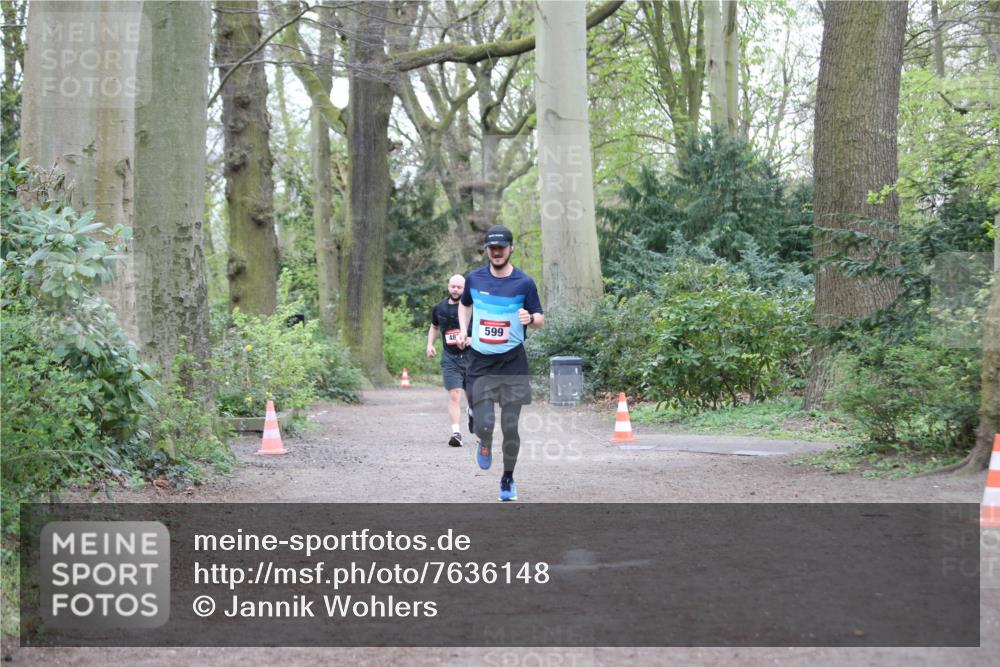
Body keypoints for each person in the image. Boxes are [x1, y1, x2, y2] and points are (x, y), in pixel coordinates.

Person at [456, 225, 544, 501]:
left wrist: (531, 319)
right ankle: (484, 440)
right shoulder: (474, 279)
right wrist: (464, 330)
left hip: (512, 362)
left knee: (509, 426)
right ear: (487, 250)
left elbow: (540, 318)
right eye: (492, 248)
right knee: (485, 424)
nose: (496, 252)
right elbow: (464, 304)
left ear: (510, 248)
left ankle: (507, 479)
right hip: (481, 362)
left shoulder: (524, 283)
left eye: (501, 247)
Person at [427, 274, 472, 448]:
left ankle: (472, 412)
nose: (455, 290)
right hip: (450, 358)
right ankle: (456, 433)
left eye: (459, 287)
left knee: (473, 396)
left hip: (472, 357)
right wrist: (430, 344)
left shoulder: (473, 307)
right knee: (454, 394)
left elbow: (482, 328)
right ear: (448, 286)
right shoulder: (439, 308)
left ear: (465, 289)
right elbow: (434, 327)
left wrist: (471, 339)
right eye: (453, 286)